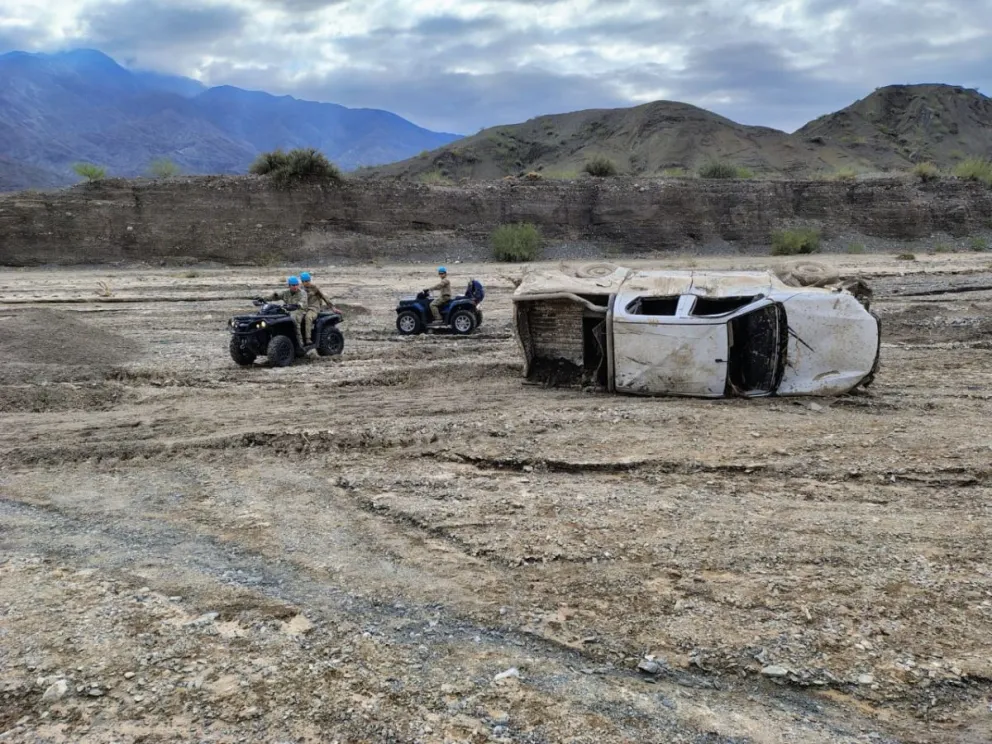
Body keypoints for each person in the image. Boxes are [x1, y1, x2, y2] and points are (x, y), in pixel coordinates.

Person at [261, 275, 307, 348]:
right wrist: (263, 298)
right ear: (289, 286)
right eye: (293, 285)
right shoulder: (286, 293)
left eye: (296, 285)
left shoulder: (302, 293)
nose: (295, 287)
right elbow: (276, 296)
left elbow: (302, 302)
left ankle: (300, 344)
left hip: (299, 310)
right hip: (288, 310)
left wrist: (296, 305)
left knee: (294, 320)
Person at [299, 271, 337, 346]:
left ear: (309, 280)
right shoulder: (300, 288)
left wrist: (332, 307)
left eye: (307, 281)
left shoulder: (314, 288)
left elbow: (324, 297)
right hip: (304, 308)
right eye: (303, 281)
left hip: (313, 308)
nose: (305, 283)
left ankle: (308, 339)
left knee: (308, 317)